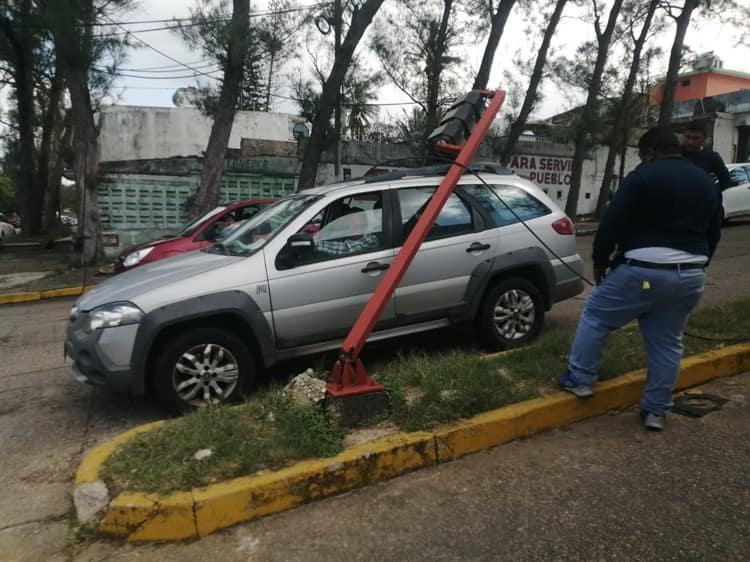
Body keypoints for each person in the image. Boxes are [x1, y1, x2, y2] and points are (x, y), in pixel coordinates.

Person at [558, 127, 722, 432]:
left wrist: (601, 260)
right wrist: (699, 265)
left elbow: (612, 221)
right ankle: (656, 411)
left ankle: (580, 380)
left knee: (596, 315)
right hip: (689, 276)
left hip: (644, 274)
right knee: (667, 343)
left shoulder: (642, 177)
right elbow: (714, 232)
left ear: (649, 153)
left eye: (643, 156)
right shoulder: (706, 182)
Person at [682, 120, 736, 191]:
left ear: (705, 139)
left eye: (695, 138)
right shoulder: (676, 152)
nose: (690, 142)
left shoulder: (712, 157)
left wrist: (711, 192)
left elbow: (726, 181)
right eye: (688, 137)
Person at [315, 207, 381, 257]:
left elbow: (345, 249)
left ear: (365, 224)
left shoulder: (370, 240)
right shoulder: (344, 235)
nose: (351, 228)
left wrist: (315, 244)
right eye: (349, 225)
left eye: (356, 225)